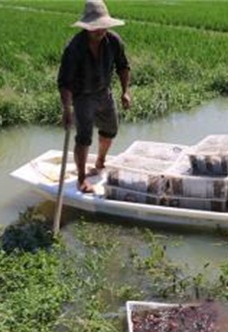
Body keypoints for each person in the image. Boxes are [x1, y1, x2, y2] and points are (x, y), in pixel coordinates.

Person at [57, 0, 131, 193]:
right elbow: (64, 82)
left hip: (104, 92)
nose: (100, 31)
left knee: (110, 130)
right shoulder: (74, 48)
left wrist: (125, 92)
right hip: (82, 96)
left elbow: (123, 67)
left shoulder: (113, 41)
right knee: (84, 138)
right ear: (87, 27)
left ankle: (100, 162)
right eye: (96, 27)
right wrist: (67, 109)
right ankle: (81, 179)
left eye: (103, 26)